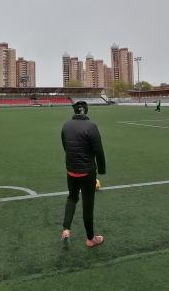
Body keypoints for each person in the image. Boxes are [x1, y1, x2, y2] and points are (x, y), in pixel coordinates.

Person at [60, 101, 106, 248]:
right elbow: (98, 150)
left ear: (74, 111)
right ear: (85, 111)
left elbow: (65, 147)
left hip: (71, 170)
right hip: (87, 171)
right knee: (88, 204)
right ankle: (90, 239)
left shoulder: (66, 125)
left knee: (72, 198)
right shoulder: (92, 126)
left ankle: (66, 229)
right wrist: (102, 170)